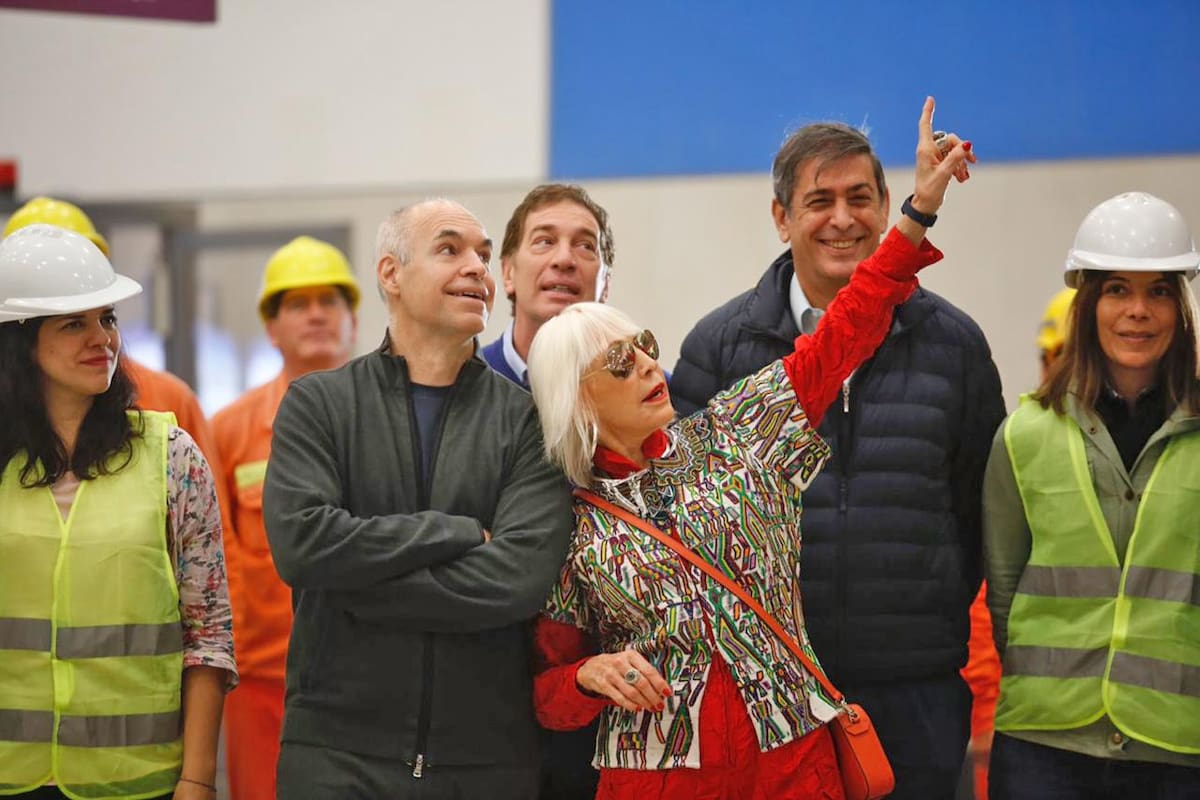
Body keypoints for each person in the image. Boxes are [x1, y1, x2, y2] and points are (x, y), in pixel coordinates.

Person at [528, 98, 972, 799]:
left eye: (644, 346)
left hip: (791, 766)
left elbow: (849, 325)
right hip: (656, 782)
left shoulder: (738, 429)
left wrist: (919, 210)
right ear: (575, 402)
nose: (648, 366)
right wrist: (587, 675)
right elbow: (544, 692)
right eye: (619, 363)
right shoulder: (567, 523)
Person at [668, 107, 1005, 800]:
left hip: (918, 694)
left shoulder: (955, 346)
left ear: (887, 207)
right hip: (772, 699)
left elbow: (982, 515)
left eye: (859, 198)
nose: (842, 219)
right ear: (781, 217)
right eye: (819, 201)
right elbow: (685, 523)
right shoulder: (718, 349)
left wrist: (929, 602)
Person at [263, 199, 575, 799]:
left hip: (486, 763)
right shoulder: (318, 405)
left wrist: (350, 585)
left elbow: (518, 580)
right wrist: (457, 532)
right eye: (449, 249)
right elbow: (302, 545)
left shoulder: (527, 421)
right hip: (335, 758)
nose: (476, 268)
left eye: (483, 255)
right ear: (391, 274)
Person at [0, 224, 236, 799]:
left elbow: (208, 635)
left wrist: (198, 778)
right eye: (73, 323)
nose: (101, 338)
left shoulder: (172, 456)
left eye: (106, 318)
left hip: (137, 780)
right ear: (20, 342)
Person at [984, 191, 1200, 799]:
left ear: (1180, 309)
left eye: (1159, 291)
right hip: (1043, 746)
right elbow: (1004, 594)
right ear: (1088, 304)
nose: (1138, 311)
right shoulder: (1024, 436)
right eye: (1117, 290)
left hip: (1177, 745)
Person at [209, 235, 359, 800]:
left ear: (352, 319)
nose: (317, 314)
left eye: (329, 301)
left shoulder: (393, 421)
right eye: (298, 303)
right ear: (272, 328)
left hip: (369, 668)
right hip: (264, 677)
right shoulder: (228, 430)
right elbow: (213, 555)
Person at [483, 183, 614, 389]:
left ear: (605, 284)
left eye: (585, 246)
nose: (564, 259)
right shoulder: (461, 386)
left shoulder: (652, 393)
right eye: (545, 241)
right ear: (509, 273)